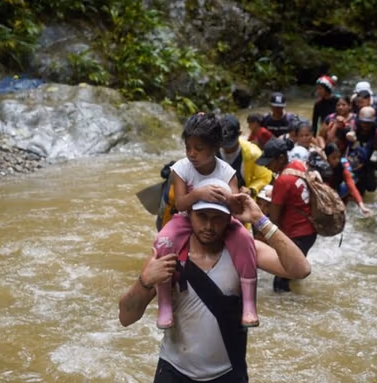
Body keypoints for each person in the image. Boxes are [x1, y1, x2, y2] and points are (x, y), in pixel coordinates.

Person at [118, 185, 311, 383]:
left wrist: (259, 220)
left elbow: (301, 269)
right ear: (189, 214)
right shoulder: (167, 253)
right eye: (202, 216)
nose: (209, 226)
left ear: (230, 218)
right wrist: (144, 282)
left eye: (217, 217)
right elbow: (126, 317)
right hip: (174, 371)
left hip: (227, 373)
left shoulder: (246, 251)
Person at [153, 113, 259, 329]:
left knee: (246, 240)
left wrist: (233, 198)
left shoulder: (227, 172)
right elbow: (181, 204)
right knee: (164, 240)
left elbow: (235, 207)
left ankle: (249, 304)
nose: (192, 153)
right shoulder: (181, 169)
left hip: (222, 218)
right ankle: (164, 304)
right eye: (188, 147)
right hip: (187, 217)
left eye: (199, 148)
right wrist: (199, 194)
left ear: (215, 147)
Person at [255, 139, 317, 292]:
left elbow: (274, 219)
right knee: (294, 271)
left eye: (270, 162)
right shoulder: (297, 165)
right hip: (309, 231)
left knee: (280, 283)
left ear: (281, 158)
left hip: (297, 234)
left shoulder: (282, 180)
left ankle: (295, 308)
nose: (267, 166)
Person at [218, 115, 273, 198]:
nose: (227, 148)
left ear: (240, 134)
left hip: (242, 197)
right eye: (223, 144)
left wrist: (251, 189)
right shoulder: (210, 149)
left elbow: (265, 177)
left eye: (230, 144)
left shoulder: (253, 153)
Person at [324, 143, 372, 217]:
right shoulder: (320, 167)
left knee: (353, 181)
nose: (337, 160)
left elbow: (351, 186)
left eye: (338, 157)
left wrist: (361, 206)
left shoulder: (341, 167)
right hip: (325, 191)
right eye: (333, 158)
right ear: (326, 157)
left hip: (336, 189)